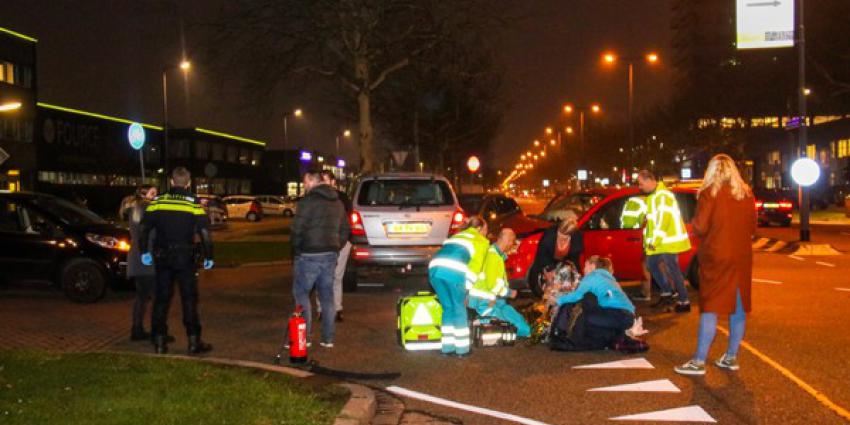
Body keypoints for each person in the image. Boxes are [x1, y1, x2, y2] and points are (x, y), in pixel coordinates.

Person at [675, 154, 755, 376]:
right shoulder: (746, 193)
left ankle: (699, 361)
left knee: (710, 306)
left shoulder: (709, 193)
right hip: (741, 257)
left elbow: (700, 227)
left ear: (711, 171)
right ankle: (731, 357)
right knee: (737, 309)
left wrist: (692, 224)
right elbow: (753, 226)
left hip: (717, 257)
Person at [140, 167, 214, 355]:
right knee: (189, 299)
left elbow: (144, 228)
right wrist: (209, 256)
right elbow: (204, 232)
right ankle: (193, 342)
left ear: (172, 182)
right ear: (188, 183)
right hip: (185, 258)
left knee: (161, 299)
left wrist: (144, 252)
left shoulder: (158, 201)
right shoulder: (193, 203)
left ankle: (159, 341)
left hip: (162, 257)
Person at [290, 170, 349, 348]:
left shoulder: (307, 202)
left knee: (301, 294)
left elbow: (297, 229)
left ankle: (304, 337)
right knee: (327, 296)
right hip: (330, 254)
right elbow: (345, 230)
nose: (304, 186)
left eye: (305, 182)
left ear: (311, 180)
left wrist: (297, 250)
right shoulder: (337, 202)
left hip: (309, 254)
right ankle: (327, 338)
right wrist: (335, 246)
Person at [428, 216, 490, 356]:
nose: (486, 233)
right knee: (459, 307)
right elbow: (476, 267)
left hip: (434, 269)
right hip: (453, 271)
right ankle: (462, 349)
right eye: (486, 229)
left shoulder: (457, 235)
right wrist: (467, 287)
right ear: (479, 229)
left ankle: (447, 348)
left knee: (448, 308)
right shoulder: (481, 241)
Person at [636, 170, 692, 312]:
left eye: (641, 183)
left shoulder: (662, 196)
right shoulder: (654, 196)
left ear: (649, 180)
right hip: (661, 242)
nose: (640, 187)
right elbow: (653, 223)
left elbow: (663, 222)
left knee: (673, 270)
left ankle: (684, 301)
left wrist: (654, 241)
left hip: (668, 242)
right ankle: (667, 292)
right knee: (652, 264)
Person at [468, 228, 531, 338]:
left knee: (521, 327)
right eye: (512, 242)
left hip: (493, 301)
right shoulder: (493, 256)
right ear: (507, 240)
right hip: (485, 302)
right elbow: (493, 286)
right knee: (515, 327)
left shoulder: (496, 255)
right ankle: (475, 324)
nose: (512, 245)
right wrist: (510, 293)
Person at [555, 256, 637, 339]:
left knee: (583, 320)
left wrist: (557, 300)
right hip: (629, 317)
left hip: (618, 315)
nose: (583, 269)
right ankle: (622, 333)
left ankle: (621, 335)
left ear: (592, 266)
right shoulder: (610, 279)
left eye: (585, 266)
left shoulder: (592, 276)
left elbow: (577, 296)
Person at [316, 170, 352, 323]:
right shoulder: (315, 198)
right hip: (322, 242)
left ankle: (337, 308)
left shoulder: (342, 198)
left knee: (337, 276)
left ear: (333, 182)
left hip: (341, 242)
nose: (324, 184)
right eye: (321, 181)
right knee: (322, 276)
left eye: (326, 181)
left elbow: (348, 222)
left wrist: (342, 242)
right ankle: (321, 309)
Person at [124, 186, 158, 341]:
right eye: (152, 193)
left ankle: (137, 329)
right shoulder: (147, 209)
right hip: (147, 258)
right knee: (156, 296)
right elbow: (150, 234)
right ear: (143, 194)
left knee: (142, 297)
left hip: (137, 257)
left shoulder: (135, 210)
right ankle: (157, 331)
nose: (155, 196)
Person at [527, 214, 583, 297]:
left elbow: (574, 260)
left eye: (565, 238)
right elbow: (541, 257)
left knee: (567, 287)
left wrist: (576, 276)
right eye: (559, 236)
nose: (561, 240)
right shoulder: (548, 236)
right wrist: (549, 270)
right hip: (545, 264)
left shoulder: (577, 238)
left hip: (563, 266)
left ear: (571, 235)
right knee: (548, 289)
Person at [620, 195, 652, 302]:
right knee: (651, 267)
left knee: (646, 267)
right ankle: (647, 292)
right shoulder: (646, 201)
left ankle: (646, 293)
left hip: (643, 240)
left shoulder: (634, 203)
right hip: (643, 239)